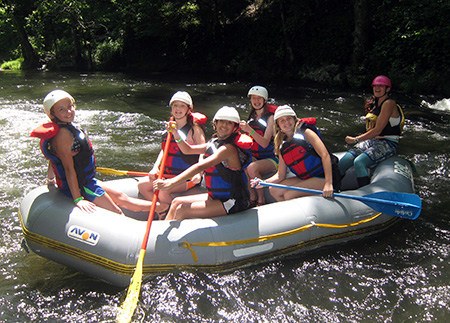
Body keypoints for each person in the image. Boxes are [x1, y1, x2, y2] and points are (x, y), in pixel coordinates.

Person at [31, 90, 152, 214]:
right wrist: (78, 199)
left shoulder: (65, 128)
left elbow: (53, 159)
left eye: (70, 107)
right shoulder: (63, 135)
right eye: (61, 110)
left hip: (86, 181)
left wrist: (50, 180)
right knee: (117, 212)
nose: (68, 112)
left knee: (122, 197)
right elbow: (68, 168)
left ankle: (161, 208)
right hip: (81, 186)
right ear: (52, 114)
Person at [153, 106, 251, 221]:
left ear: (235, 128)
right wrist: (175, 133)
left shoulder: (228, 149)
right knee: (176, 202)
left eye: (229, 123)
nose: (224, 126)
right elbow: (188, 150)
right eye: (221, 122)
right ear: (216, 123)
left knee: (182, 209)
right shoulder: (214, 143)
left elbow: (201, 166)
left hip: (233, 200)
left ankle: (176, 238)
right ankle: (161, 233)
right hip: (215, 197)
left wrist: (171, 183)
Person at [137, 91, 206, 218]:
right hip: (168, 174)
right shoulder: (169, 128)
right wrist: (155, 168)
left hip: (186, 177)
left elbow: (203, 152)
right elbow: (165, 150)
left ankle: (168, 215)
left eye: (182, 106)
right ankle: (162, 209)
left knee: (163, 189)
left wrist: (199, 172)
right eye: (175, 106)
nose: (178, 109)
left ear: (188, 109)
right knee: (142, 185)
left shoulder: (194, 130)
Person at [251, 105, 340, 201]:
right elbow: (280, 175)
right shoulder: (282, 144)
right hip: (306, 178)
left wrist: (328, 183)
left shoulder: (306, 133)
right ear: (278, 125)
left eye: (289, 119)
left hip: (323, 177)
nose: (286, 123)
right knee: (273, 190)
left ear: (294, 120)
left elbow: (325, 155)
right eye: (282, 121)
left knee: (290, 194)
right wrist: (263, 182)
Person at [338, 75, 404, 187]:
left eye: (381, 86)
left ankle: (364, 192)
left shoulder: (389, 103)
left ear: (387, 89)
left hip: (388, 143)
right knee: (344, 161)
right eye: (375, 86)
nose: (377, 88)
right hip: (373, 141)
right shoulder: (375, 103)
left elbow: (377, 130)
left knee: (359, 162)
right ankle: (334, 187)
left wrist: (356, 139)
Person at [239, 86, 278, 207]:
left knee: (251, 168)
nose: (256, 101)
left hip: (272, 159)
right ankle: (252, 196)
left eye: (259, 98)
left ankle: (261, 199)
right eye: (253, 98)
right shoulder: (251, 117)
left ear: (265, 100)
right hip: (255, 156)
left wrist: (249, 130)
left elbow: (265, 143)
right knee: (243, 164)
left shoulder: (270, 118)